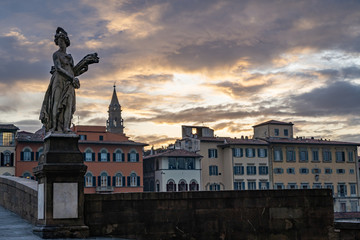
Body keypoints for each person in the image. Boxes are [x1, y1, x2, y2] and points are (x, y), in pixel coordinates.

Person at [40, 27, 98, 133]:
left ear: (66, 42)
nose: (60, 43)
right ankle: (54, 127)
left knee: (68, 104)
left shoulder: (70, 57)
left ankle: (66, 127)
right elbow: (58, 68)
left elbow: (73, 71)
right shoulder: (56, 54)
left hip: (69, 82)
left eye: (62, 41)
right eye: (59, 42)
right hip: (58, 80)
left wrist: (86, 63)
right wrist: (72, 78)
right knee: (56, 103)